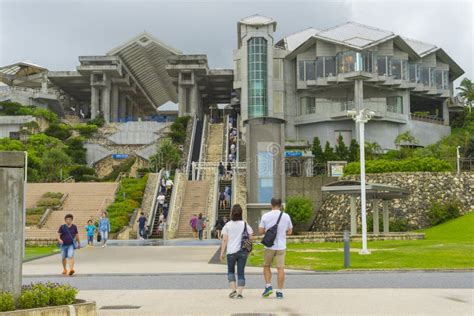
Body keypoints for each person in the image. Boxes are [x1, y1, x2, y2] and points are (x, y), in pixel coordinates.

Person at [259, 198, 293, 299]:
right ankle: (279, 291)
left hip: (269, 246)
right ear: (280, 205)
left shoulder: (266, 216)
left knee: (266, 266)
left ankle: (268, 286)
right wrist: (282, 233)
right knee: (280, 269)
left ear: (271, 205)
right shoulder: (286, 216)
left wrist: (268, 232)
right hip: (281, 246)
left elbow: (260, 231)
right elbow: (290, 231)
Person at [220, 204, 253, 299]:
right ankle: (240, 293)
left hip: (231, 252)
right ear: (241, 213)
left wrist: (222, 252)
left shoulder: (228, 225)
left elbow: (225, 240)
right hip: (243, 252)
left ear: (232, 213)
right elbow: (251, 236)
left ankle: (233, 290)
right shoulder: (245, 224)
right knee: (241, 272)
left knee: (230, 271)